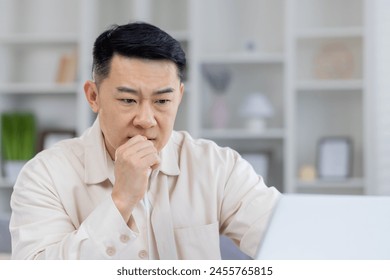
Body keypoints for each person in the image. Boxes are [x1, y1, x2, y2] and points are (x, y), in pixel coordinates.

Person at [9, 22, 281, 260]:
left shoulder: (217, 166)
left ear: (180, 97)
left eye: (162, 101)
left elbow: (291, 239)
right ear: (94, 96)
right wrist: (121, 201)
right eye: (128, 100)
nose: (146, 119)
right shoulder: (44, 175)